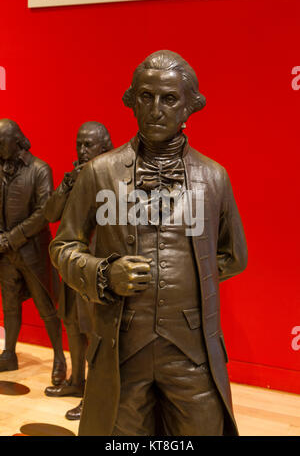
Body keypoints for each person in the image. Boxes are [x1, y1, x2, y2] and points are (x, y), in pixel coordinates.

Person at [49, 51, 248, 436]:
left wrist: (191, 279)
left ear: (190, 106)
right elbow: (64, 247)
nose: (155, 109)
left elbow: (233, 256)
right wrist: (103, 273)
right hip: (121, 347)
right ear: (132, 100)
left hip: (193, 353)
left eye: (169, 98)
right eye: (146, 96)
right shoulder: (100, 172)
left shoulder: (214, 178)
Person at [44, 121, 113, 421]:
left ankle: (93, 397)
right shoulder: (74, 176)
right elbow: (51, 213)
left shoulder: (111, 176)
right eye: (79, 144)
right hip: (70, 263)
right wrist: (67, 184)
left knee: (94, 333)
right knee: (71, 324)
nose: (82, 150)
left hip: (95, 266)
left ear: (104, 146)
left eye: (89, 145)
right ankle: (76, 382)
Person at [0, 118, 66, 386]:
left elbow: (44, 213)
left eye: (1, 142)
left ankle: (60, 358)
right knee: (10, 305)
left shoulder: (40, 170)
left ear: (17, 142)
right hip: (5, 253)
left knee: (47, 307)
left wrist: (11, 238)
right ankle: (9, 354)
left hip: (32, 252)